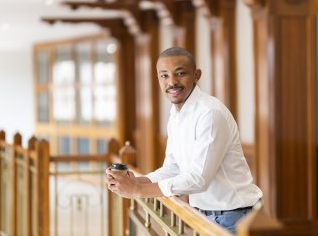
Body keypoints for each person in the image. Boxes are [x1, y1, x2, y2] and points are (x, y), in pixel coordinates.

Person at [106, 46, 262, 234]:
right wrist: (139, 181)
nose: (172, 82)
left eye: (180, 74)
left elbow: (198, 179)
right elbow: (173, 167)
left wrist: (138, 190)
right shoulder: (176, 115)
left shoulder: (210, 114)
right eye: (164, 76)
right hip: (204, 215)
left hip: (234, 217)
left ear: (196, 75)